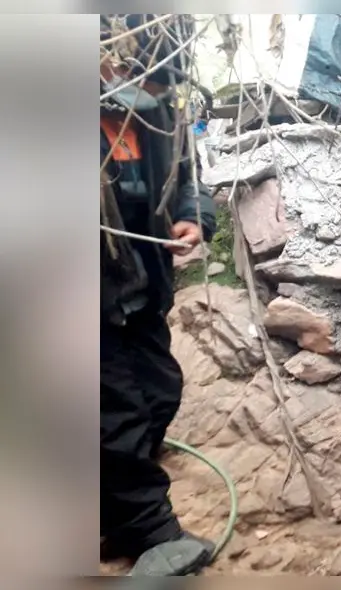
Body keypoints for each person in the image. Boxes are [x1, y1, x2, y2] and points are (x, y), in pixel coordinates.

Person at [100, 15, 218, 576]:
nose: (149, 95)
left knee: (160, 392)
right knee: (113, 414)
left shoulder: (158, 113)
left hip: (142, 294)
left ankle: (111, 507)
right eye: (142, 80)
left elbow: (190, 179)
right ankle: (151, 530)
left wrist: (195, 219)